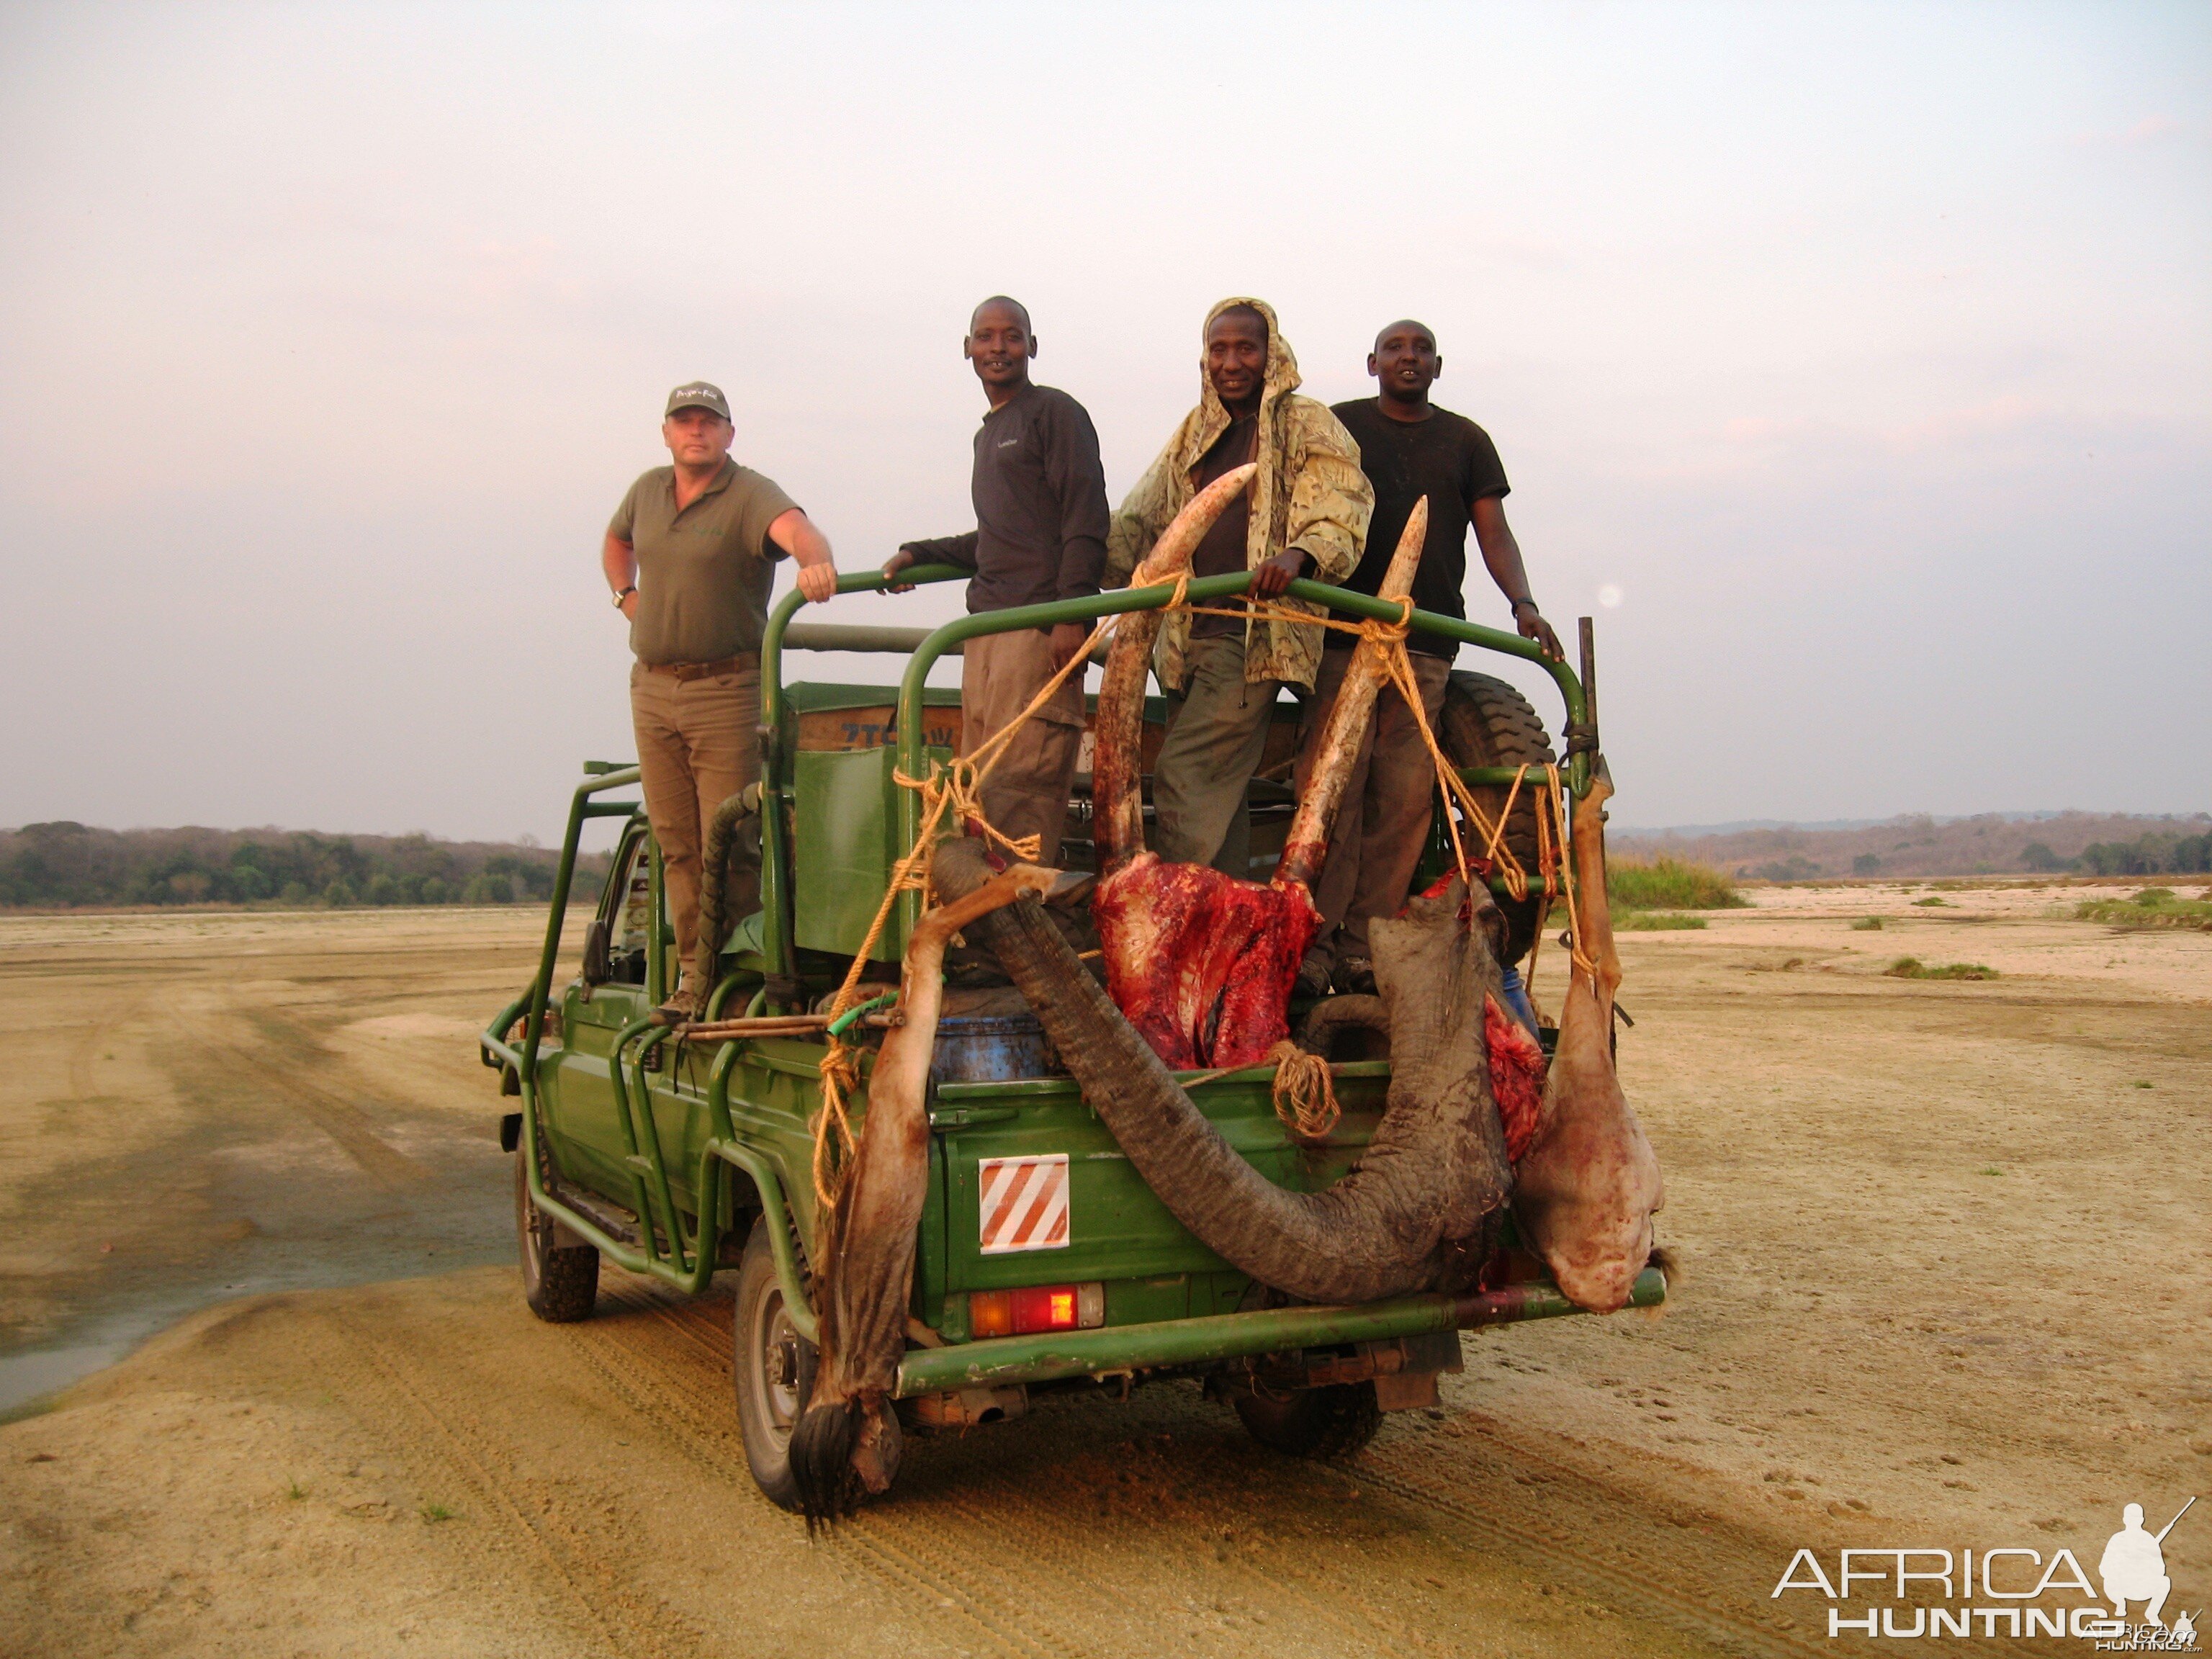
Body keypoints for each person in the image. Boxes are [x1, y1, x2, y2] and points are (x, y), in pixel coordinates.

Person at [1290, 319, 1564, 997]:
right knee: (1331, 788)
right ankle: (1312, 942)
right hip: (1340, 636)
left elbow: (1493, 530)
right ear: (1371, 363)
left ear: (1437, 367)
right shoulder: (1338, 426)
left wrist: (1524, 604)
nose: (1407, 359)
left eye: (1419, 351)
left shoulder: (1465, 440)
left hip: (1425, 640)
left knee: (1405, 796)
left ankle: (1367, 945)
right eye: (1394, 350)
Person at [1105, 298, 1371, 876]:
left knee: (1186, 774)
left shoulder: (1305, 422)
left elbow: (1340, 502)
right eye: (1218, 349)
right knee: (1217, 796)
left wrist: (1300, 555)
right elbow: (1143, 518)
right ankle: (1230, 935)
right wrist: (1077, 568)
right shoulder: (1194, 432)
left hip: (1253, 635)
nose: (1231, 362)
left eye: (1245, 348)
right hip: (1182, 637)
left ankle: (1181, 921)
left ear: (1270, 353)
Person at [603, 381, 837, 1021]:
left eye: (709, 422)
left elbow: (801, 532)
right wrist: (625, 597)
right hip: (652, 686)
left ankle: (737, 981)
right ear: (667, 432)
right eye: (685, 421)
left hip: (724, 690)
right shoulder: (647, 491)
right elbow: (616, 540)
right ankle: (694, 981)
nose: (696, 431)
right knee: (674, 842)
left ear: (729, 433)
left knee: (727, 841)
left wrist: (814, 565)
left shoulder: (748, 492)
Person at [884, 297, 1110, 866]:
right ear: (968, 349)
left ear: (1033, 346)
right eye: (986, 337)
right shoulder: (989, 434)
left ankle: (1021, 941)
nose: (999, 348)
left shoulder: (1054, 414)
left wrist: (1072, 616)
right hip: (985, 633)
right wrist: (920, 551)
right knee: (978, 797)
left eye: (1012, 336)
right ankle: (985, 940)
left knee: (1020, 797)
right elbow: (998, 536)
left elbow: (1085, 518)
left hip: (1034, 633)